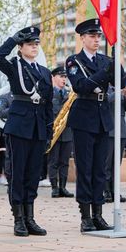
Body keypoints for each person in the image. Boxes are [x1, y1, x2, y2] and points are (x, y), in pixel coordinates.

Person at [0, 26, 53, 237]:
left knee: (33, 174)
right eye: (29, 43)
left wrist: (49, 131)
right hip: (19, 126)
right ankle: (18, 218)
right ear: (21, 47)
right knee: (17, 173)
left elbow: (48, 104)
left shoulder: (44, 72)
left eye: (36, 43)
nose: (34, 47)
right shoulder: (14, 66)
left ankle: (30, 218)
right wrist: (12, 39)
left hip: (38, 128)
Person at [65, 18, 124, 233]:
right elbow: (81, 86)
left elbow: (120, 82)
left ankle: (98, 214)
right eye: (92, 36)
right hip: (84, 116)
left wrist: (116, 62)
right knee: (85, 169)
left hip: (102, 117)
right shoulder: (74, 61)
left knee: (100, 169)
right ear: (82, 38)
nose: (96, 39)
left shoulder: (105, 60)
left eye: (98, 36)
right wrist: (105, 71)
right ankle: (85, 216)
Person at [104, 86, 126, 203]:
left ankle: (115, 190)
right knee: (107, 162)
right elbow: (107, 101)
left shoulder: (123, 91)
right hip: (109, 131)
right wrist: (118, 92)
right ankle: (106, 189)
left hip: (121, 131)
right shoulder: (106, 88)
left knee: (117, 163)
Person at [48, 66, 74, 198]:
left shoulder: (69, 94)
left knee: (64, 161)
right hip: (54, 132)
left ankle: (63, 187)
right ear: (53, 77)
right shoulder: (49, 93)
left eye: (65, 77)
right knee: (53, 161)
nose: (64, 79)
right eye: (61, 77)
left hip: (67, 132)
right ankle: (54, 187)